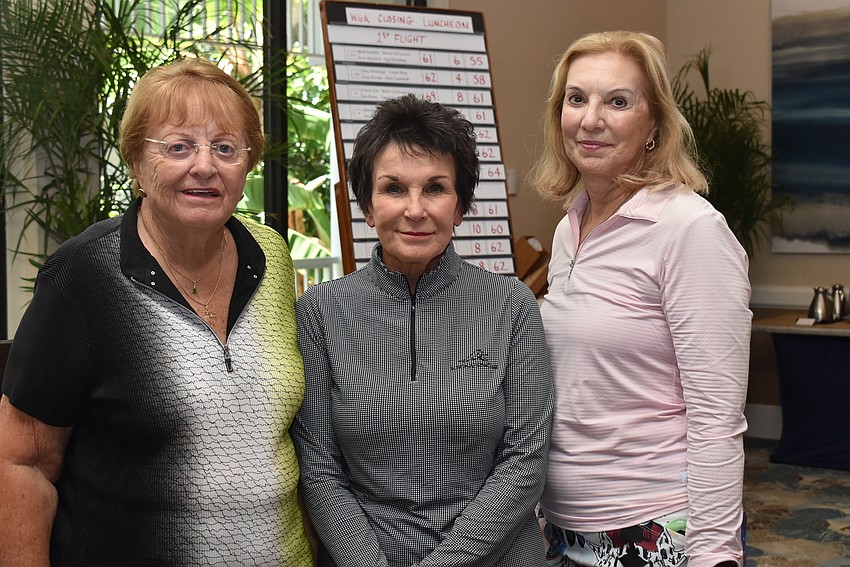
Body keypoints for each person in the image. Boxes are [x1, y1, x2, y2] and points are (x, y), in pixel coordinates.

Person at [0, 58, 313, 566]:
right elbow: (22, 462)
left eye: (225, 148)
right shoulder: (84, 276)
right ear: (136, 162)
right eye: (178, 146)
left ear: (248, 164)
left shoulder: (271, 255)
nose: (205, 166)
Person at [292, 93, 554, 567]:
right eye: (394, 189)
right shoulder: (320, 312)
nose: (415, 209)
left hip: (497, 555)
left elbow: (525, 459)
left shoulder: (511, 305)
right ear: (367, 206)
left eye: (435, 188)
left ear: (460, 206)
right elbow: (319, 468)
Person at [529, 31, 750, 567]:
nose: (590, 119)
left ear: (654, 124)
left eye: (617, 101)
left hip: (654, 530)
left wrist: (714, 552)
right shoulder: (568, 228)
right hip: (562, 530)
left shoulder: (690, 229)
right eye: (576, 99)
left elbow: (717, 416)